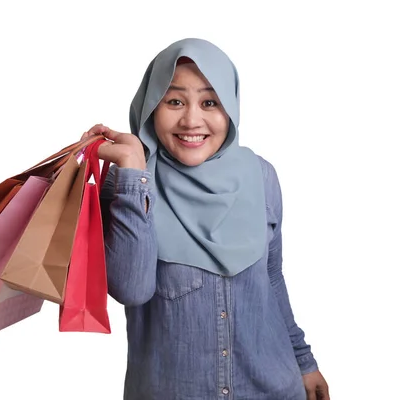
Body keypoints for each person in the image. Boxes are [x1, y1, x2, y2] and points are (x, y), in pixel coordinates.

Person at [82, 38, 329, 400]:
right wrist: (133, 171)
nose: (192, 120)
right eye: (175, 101)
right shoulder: (127, 184)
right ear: (152, 106)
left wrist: (304, 361)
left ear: (230, 107)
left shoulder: (261, 177)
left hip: (272, 389)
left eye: (210, 102)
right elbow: (131, 290)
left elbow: (272, 279)